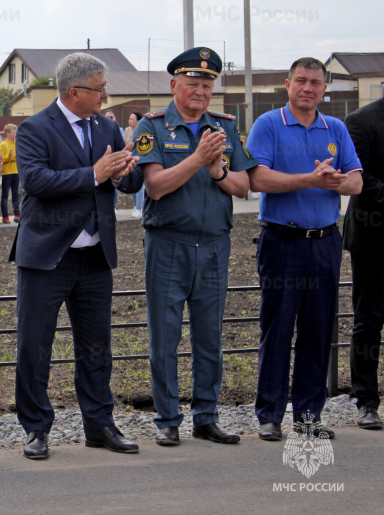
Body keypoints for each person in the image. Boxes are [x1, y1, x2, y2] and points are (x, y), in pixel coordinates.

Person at [11, 53, 143, 460]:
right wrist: (95, 174)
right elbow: (34, 180)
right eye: (100, 88)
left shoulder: (106, 126)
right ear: (75, 91)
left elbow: (129, 179)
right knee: (35, 347)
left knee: (96, 347)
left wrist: (123, 173)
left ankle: (99, 424)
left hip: (95, 256)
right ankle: (36, 428)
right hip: (48, 257)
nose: (106, 95)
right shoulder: (35, 128)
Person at [135, 47, 256, 447]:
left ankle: (207, 416)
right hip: (169, 244)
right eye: (192, 85)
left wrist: (217, 167)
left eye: (207, 85)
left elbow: (243, 186)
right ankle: (168, 418)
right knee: (164, 337)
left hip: (215, 246)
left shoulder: (224, 126)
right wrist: (199, 159)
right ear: (174, 86)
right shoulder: (152, 127)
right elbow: (155, 185)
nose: (201, 92)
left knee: (209, 338)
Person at [247, 57, 362, 441]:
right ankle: (270, 414)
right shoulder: (268, 125)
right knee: (277, 329)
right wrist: (311, 179)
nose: (308, 88)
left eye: (315, 82)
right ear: (287, 85)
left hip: (326, 242)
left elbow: (356, 184)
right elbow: (258, 178)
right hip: (283, 242)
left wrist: (335, 182)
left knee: (318, 330)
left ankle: (309, 416)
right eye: (301, 81)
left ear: (324, 88)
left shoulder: (337, 128)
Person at [343, 95, 384, 430]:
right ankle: (366, 401)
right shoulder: (360, 120)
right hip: (374, 238)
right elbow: (362, 180)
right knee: (368, 321)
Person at [124, 111, 145, 218]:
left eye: (132, 119)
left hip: (139, 159)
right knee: (132, 183)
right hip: (129, 158)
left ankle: (139, 208)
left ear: (138, 121)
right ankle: (136, 205)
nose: (129, 121)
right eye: (129, 118)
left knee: (141, 186)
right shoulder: (127, 130)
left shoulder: (142, 130)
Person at [0, 123, 20, 223]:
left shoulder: (17, 143)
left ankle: (17, 214)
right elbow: (1, 159)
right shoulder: (3, 144)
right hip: (6, 173)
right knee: (5, 195)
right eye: (14, 132)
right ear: (7, 133)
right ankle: (5, 216)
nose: (15, 134)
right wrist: (9, 156)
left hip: (16, 171)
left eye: (16, 132)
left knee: (16, 194)